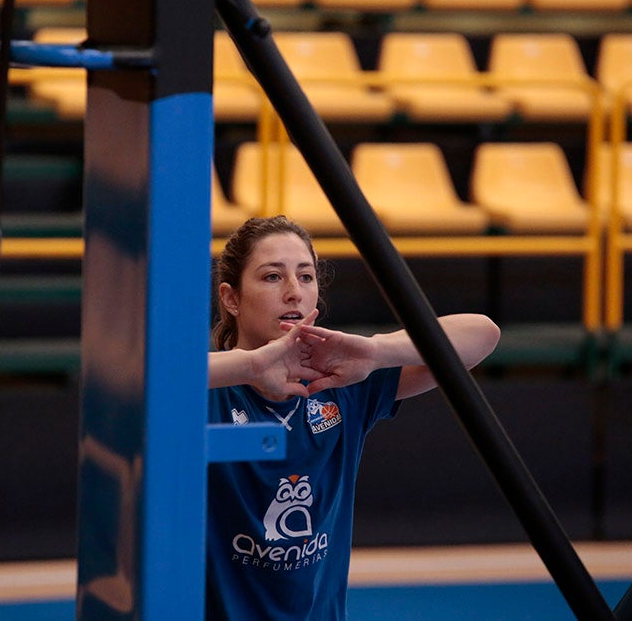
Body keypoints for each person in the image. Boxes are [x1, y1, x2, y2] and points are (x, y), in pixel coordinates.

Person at [206, 216, 500, 620]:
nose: (294, 292)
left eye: (306, 277)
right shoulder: (203, 390)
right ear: (232, 298)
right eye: (272, 277)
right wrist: (250, 366)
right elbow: (142, 376)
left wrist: (376, 352)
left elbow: (482, 335)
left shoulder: (341, 381)